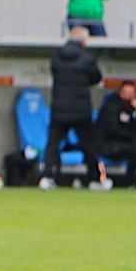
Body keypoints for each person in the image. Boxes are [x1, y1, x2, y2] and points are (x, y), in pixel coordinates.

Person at [39, 27, 103, 189]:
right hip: (81, 110)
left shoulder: (57, 58)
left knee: (53, 144)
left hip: (59, 108)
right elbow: (96, 78)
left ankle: (47, 177)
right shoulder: (87, 59)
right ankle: (94, 180)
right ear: (83, 41)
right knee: (89, 145)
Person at [96, 81, 136, 188]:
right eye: (125, 92)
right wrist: (133, 134)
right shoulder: (111, 106)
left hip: (127, 143)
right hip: (109, 144)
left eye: (131, 93)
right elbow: (112, 130)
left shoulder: (134, 106)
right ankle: (135, 178)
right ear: (119, 92)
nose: (128, 95)